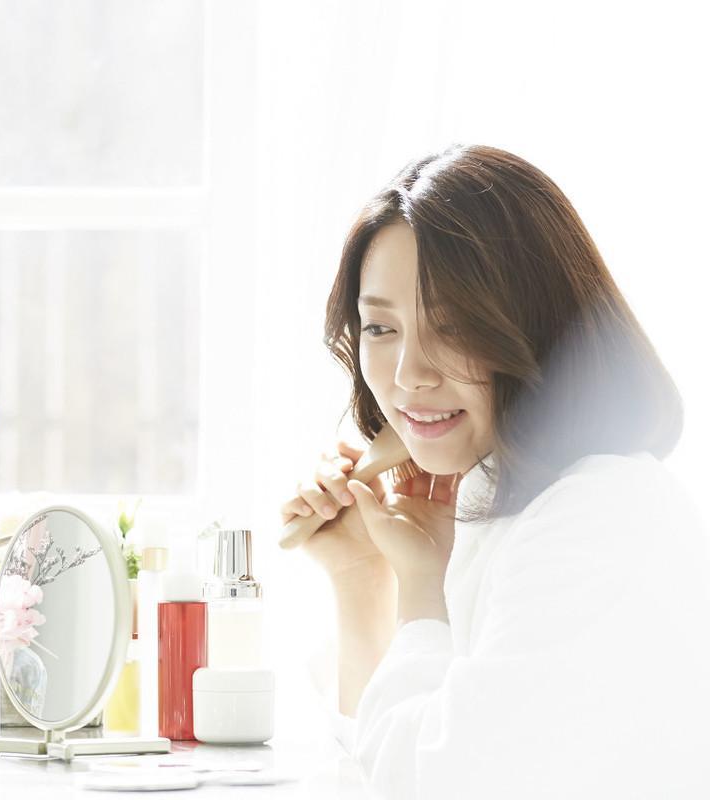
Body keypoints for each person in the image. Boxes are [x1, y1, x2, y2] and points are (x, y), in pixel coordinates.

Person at [282, 145, 710, 799]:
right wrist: (362, 576)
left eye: (452, 326)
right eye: (380, 328)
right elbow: (375, 765)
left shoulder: (600, 513)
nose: (409, 375)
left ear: (540, 327)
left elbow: (435, 782)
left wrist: (420, 588)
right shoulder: (494, 505)